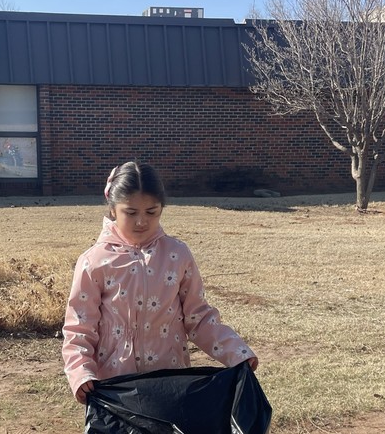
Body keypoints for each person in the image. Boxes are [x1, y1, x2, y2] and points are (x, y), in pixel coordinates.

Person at [62, 161, 257, 403]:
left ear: (162, 209)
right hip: (117, 388)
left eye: (151, 212)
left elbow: (199, 318)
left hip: (170, 382)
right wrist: (81, 373)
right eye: (131, 212)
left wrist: (237, 353)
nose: (141, 221)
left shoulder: (177, 255)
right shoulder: (94, 262)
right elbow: (80, 327)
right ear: (112, 209)